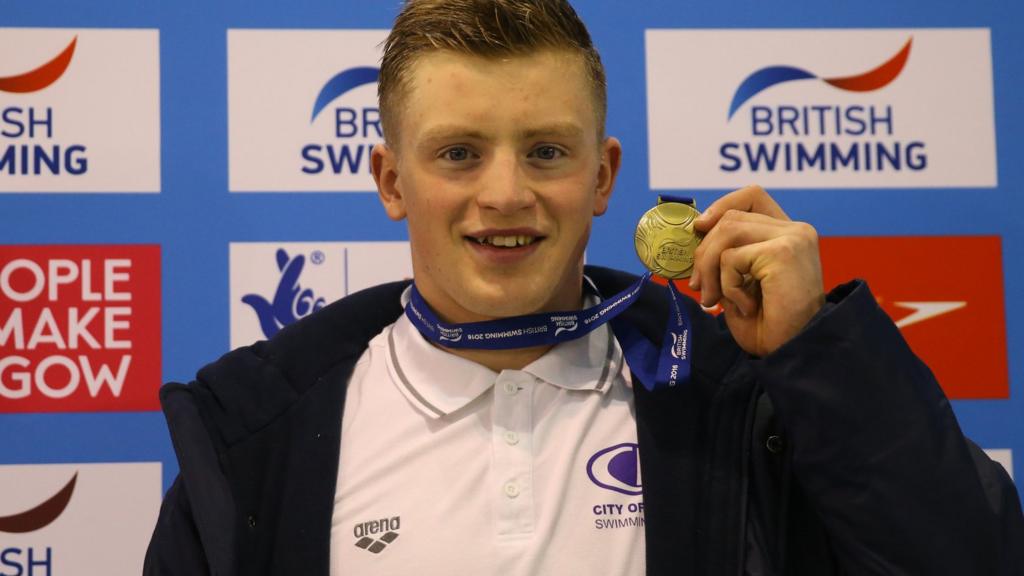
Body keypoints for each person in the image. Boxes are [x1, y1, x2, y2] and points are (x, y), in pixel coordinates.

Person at [144, 0, 1024, 574]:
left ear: (603, 177)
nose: (505, 194)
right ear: (390, 181)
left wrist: (819, 358)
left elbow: (974, 560)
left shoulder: (739, 400)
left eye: (546, 151)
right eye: (458, 153)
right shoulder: (258, 435)